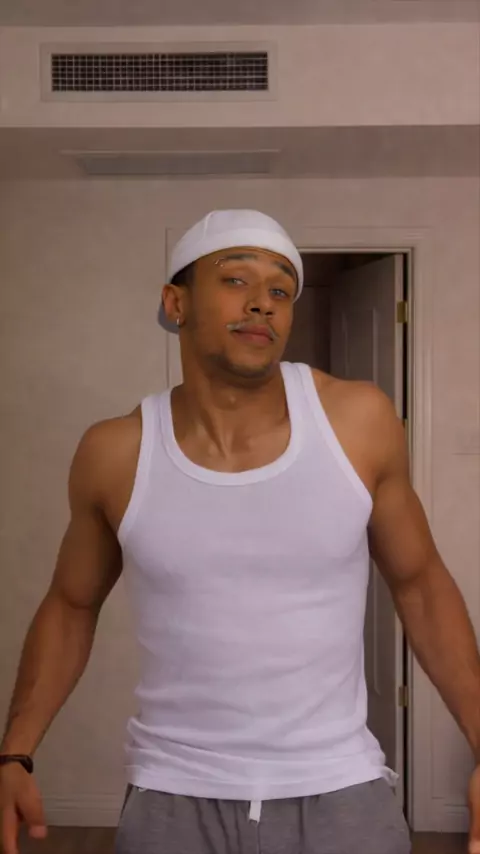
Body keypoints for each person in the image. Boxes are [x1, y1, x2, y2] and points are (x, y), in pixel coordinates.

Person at [1, 209, 480, 854]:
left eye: (281, 289)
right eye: (235, 279)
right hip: (173, 795)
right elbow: (70, 605)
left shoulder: (358, 422)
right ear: (175, 303)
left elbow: (421, 586)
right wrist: (15, 753)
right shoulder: (115, 452)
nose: (263, 302)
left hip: (340, 790)